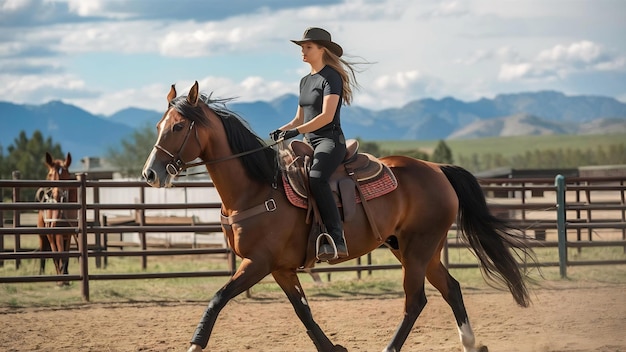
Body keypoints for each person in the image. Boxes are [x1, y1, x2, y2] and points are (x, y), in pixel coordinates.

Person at [270, 27, 361, 261]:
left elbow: (326, 116)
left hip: (329, 141)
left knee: (317, 178)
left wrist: (296, 132)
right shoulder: (304, 81)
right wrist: (284, 129)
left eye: (308, 47)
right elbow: (300, 118)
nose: (303, 50)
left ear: (322, 49)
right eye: (302, 47)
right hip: (308, 140)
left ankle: (336, 237)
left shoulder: (332, 77)